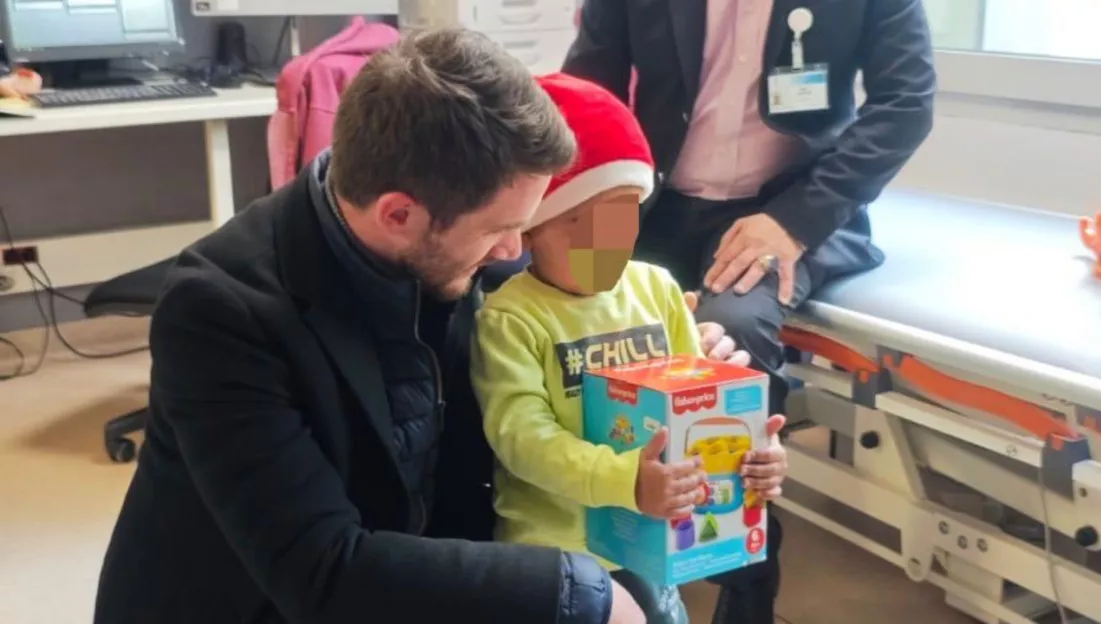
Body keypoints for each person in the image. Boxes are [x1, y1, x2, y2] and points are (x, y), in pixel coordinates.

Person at [93, 28, 767, 624]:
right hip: (273, 600)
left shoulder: (468, 257)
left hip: (426, 555)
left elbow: (554, 386)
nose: (516, 252)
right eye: (501, 230)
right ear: (399, 215)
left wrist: (676, 380)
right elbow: (322, 572)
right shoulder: (221, 312)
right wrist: (573, 590)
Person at [561, 0, 937, 621]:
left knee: (730, 332)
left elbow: (906, 104)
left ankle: (748, 583)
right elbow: (587, 88)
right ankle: (595, 558)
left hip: (787, 206)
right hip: (655, 199)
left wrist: (796, 222)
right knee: (578, 315)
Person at [471, 73, 790, 624]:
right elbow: (521, 437)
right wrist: (626, 481)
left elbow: (700, 406)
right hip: (554, 545)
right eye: (579, 223)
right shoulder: (510, 316)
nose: (606, 242)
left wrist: (753, 458)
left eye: (621, 217)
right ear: (530, 227)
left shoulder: (657, 288)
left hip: (649, 537)